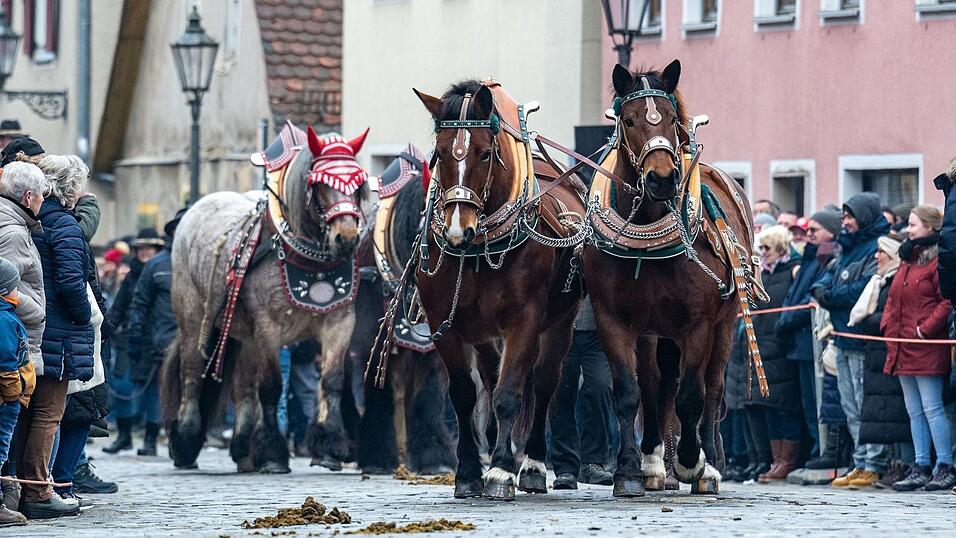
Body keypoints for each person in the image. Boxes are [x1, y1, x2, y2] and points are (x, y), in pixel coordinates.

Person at [15, 154, 96, 519]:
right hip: (58, 331)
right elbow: (70, 282)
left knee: (27, 413)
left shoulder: (36, 219)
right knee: (49, 412)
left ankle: (23, 485)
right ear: (70, 187)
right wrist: (85, 318)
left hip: (37, 327)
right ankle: (38, 489)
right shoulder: (63, 223)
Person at [812, 192, 890, 489]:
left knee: (863, 402)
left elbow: (862, 288)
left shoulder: (877, 246)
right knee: (849, 406)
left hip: (861, 339)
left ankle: (874, 462)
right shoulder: (846, 247)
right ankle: (860, 461)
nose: (845, 222)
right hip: (841, 337)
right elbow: (824, 279)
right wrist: (826, 294)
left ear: (864, 216)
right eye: (843, 217)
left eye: (849, 216)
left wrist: (831, 297)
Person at [882, 206, 955, 491]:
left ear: (930, 226)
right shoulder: (907, 259)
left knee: (932, 408)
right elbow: (893, 299)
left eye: (913, 225)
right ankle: (921, 464)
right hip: (902, 345)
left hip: (925, 345)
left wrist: (925, 329)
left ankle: (945, 464)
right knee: (914, 410)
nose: (908, 230)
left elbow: (946, 300)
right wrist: (889, 327)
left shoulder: (937, 261)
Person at [775, 209, 842, 462]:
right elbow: (795, 294)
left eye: (815, 229)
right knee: (806, 402)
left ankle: (821, 450)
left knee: (817, 402)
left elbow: (810, 299)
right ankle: (814, 450)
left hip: (810, 339)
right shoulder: (809, 257)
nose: (809, 234)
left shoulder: (825, 258)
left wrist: (787, 320)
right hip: (798, 341)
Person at [848, 236, 912, 489]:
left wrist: (867, 321)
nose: (876, 257)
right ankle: (892, 463)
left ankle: (903, 463)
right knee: (882, 412)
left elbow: (890, 316)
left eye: (881, 252)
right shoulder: (879, 280)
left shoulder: (894, 279)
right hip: (876, 352)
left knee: (900, 412)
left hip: (891, 350)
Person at [125, 209, 184, 456]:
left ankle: (184, 440)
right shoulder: (157, 266)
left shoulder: (209, 264)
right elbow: (139, 303)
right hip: (162, 341)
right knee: (160, 392)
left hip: (198, 342)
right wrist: (136, 335)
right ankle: (155, 438)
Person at [745, 226, 802, 482]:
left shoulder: (792, 271)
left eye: (767, 248)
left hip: (782, 347)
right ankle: (775, 460)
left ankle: (786, 460)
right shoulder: (763, 274)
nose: (763, 253)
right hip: (763, 347)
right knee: (768, 408)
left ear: (780, 247)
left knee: (784, 408)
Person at [103, 228, 165, 454]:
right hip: (128, 338)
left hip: (154, 339)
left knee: (152, 390)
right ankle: (125, 436)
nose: (145, 252)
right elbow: (118, 307)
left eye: (150, 248)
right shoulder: (131, 276)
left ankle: (150, 441)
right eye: (141, 248)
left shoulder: (164, 273)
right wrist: (105, 329)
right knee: (122, 385)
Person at [549, 298, 613, 489]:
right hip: (560, 327)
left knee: (600, 387)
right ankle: (565, 467)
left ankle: (593, 462)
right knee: (561, 393)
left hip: (598, 331)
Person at [0, 257, 33, 527]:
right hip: (6, 400)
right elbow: (7, 361)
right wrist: (13, 394)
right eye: (14, 286)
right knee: (0, 449)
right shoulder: (3, 319)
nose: (17, 290)